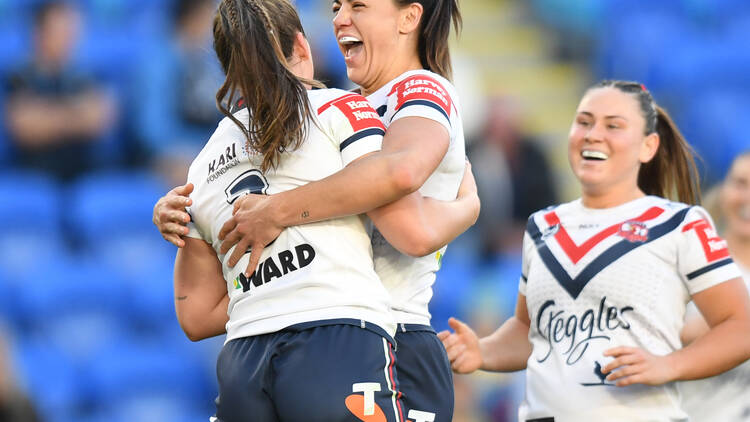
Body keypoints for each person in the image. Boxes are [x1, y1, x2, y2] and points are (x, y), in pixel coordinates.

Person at [156, 1, 468, 420]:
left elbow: (403, 182)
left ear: (409, 18)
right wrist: (468, 207)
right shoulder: (336, 109)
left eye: (358, 5)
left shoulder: (415, 90)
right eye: (337, 6)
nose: (339, 18)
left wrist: (273, 220)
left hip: (389, 335)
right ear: (301, 46)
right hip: (349, 338)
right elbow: (410, 222)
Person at [437, 80, 750, 421]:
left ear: (648, 147)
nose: (592, 134)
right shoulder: (542, 226)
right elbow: (531, 332)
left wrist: (669, 365)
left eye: (613, 125)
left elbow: (740, 327)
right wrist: (482, 351)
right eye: (584, 122)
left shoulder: (681, 224)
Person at [4, 0, 115, 181]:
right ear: (38, 33)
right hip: (34, 174)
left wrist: (48, 116)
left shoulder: (86, 74)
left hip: (85, 173)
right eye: (61, 30)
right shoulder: (19, 76)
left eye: (72, 30)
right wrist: (77, 115)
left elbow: (100, 119)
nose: (69, 38)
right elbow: (24, 127)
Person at [679, 151, 750, 422]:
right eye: (741, 184)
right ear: (723, 190)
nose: (747, 198)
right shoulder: (687, 261)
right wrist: (701, 333)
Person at [133, 0, 225, 186]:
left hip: (208, 153)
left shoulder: (211, 62)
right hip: (169, 157)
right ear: (192, 18)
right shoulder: (158, 63)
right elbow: (154, 130)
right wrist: (201, 153)